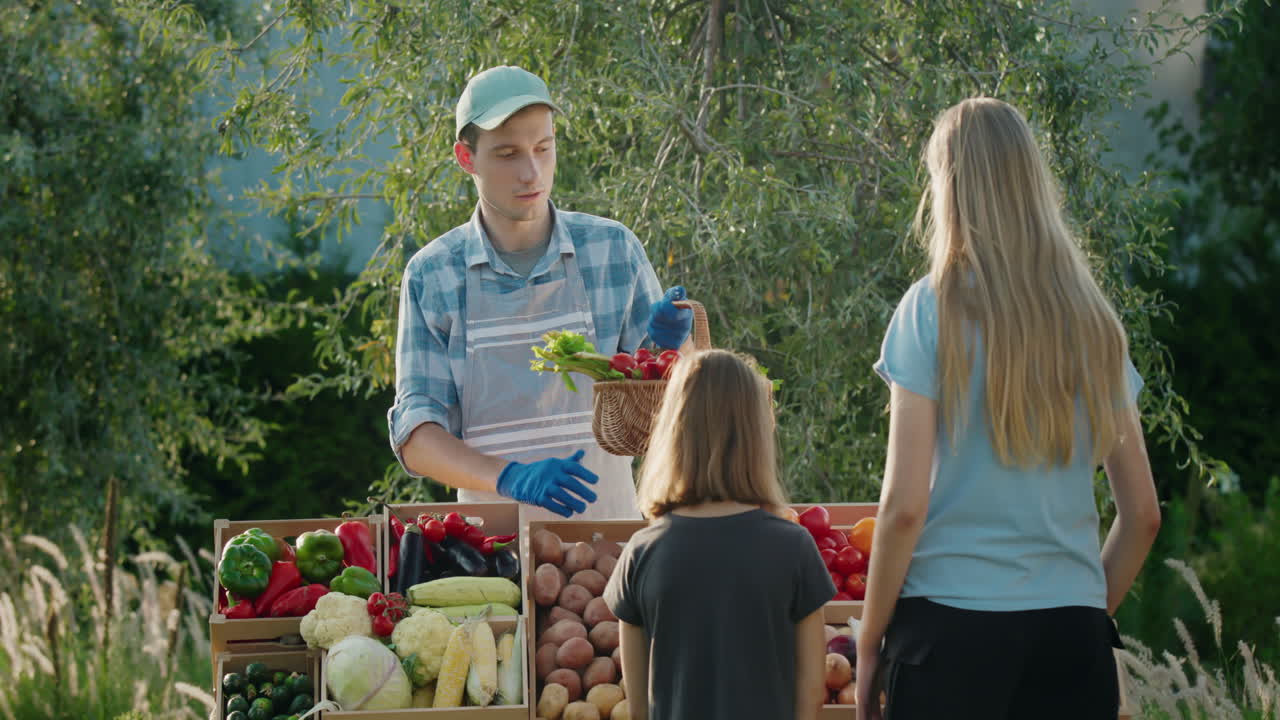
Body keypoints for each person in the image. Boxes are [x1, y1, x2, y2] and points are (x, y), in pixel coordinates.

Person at [854, 97, 1162, 720]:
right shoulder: (1094, 321)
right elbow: (1144, 516)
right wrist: (1077, 607)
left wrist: (868, 642)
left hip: (947, 641)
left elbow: (904, 507)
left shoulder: (929, 308)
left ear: (950, 190)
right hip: (1071, 645)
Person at [388, 65, 693, 520]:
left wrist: (674, 351)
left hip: (610, 542)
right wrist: (509, 477)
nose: (532, 172)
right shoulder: (433, 276)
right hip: (492, 556)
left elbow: (676, 406)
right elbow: (416, 437)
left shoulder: (612, 250)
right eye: (508, 154)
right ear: (466, 158)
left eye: (543, 149)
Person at [602, 350, 834, 720]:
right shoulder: (795, 549)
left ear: (673, 433)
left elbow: (639, 705)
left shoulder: (642, 552)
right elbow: (811, 697)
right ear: (757, 435)